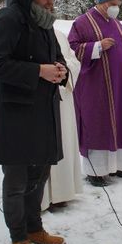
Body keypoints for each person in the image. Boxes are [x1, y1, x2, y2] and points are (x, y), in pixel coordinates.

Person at [0, 0, 67, 244]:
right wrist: (38, 71)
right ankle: (18, 236)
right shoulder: (8, 19)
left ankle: (34, 227)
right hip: (15, 114)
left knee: (39, 174)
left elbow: (56, 56)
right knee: (17, 179)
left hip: (42, 112)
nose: (50, 0)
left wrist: (60, 70)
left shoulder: (44, 23)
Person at [68, 0, 122, 187]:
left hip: (120, 86)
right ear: (102, 2)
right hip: (95, 87)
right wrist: (97, 46)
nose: (116, 8)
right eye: (113, 4)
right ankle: (95, 172)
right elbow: (71, 49)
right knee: (98, 125)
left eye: (118, 4)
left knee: (121, 124)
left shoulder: (118, 24)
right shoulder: (82, 22)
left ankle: (119, 166)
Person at [40, 29, 83, 210]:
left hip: (62, 97)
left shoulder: (58, 34)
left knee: (62, 141)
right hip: (38, 99)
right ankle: (41, 197)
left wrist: (64, 70)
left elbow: (73, 61)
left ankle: (60, 193)